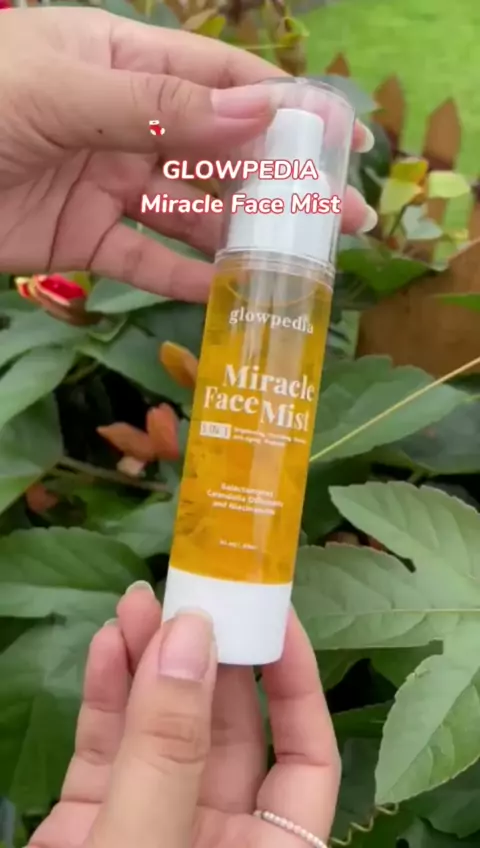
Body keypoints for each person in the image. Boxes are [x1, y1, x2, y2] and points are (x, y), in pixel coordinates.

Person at [1, 8, 377, 847]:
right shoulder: (248, 265)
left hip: (241, 576)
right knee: (248, 406)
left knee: (263, 410)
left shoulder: (302, 282)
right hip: (213, 575)